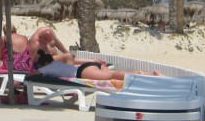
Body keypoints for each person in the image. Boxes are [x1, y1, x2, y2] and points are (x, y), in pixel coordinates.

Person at [27, 26, 155, 81]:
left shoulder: (46, 67)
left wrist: (32, 74)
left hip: (81, 71)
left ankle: (143, 74)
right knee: (111, 74)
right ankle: (145, 74)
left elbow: (35, 70)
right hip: (84, 68)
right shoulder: (39, 50)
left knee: (112, 75)